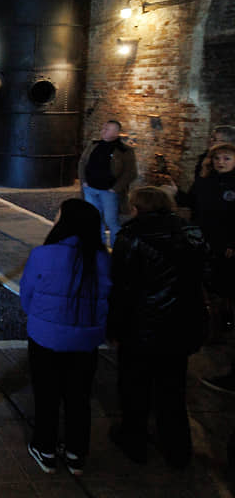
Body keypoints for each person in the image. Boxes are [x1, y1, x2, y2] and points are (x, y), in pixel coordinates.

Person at [107, 186, 210, 468]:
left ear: (137, 208)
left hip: (142, 324)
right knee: (173, 389)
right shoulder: (192, 233)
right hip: (182, 323)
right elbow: (204, 274)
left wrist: (114, 328)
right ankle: (178, 450)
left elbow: (121, 287)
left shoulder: (131, 237)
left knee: (134, 387)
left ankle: (134, 441)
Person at [21, 199, 112, 476]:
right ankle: (76, 453)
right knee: (79, 397)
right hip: (85, 341)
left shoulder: (43, 254)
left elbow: (27, 296)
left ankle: (45, 448)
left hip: (46, 337)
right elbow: (108, 300)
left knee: (46, 394)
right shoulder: (104, 259)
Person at [191, 142, 235, 392]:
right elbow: (195, 204)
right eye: (217, 158)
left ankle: (220, 328)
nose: (221, 163)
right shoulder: (206, 182)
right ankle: (211, 327)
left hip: (225, 247)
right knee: (206, 286)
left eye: (227, 159)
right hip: (204, 240)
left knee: (222, 290)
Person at [78, 120, 138, 246]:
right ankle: (99, 245)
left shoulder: (124, 150)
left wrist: (116, 188)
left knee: (111, 221)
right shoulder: (93, 145)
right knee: (95, 219)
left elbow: (131, 172)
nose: (103, 131)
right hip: (90, 188)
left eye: (107, 129)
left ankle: (116, 247)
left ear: (116, 133)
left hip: (109, 191)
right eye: (103, 128)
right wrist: (84, 181)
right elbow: (83, 163)